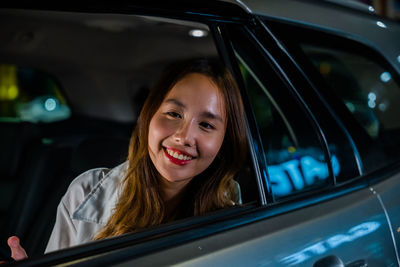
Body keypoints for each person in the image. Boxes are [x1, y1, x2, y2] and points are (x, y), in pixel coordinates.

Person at [5, 58, 248, 260]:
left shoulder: (235, 216)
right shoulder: (85, 190)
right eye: (174, 114)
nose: (184, 137)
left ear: (225, 141)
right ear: (149, 116)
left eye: (206, 124)